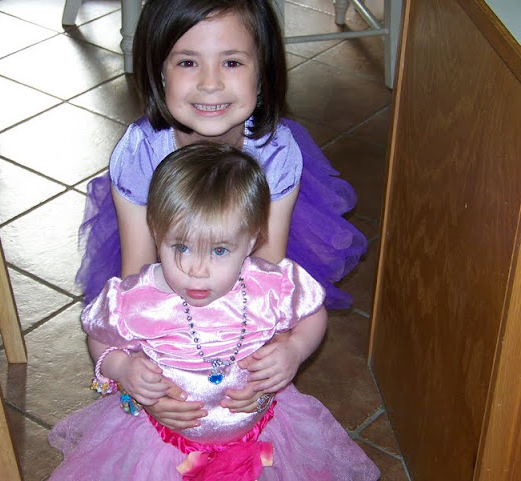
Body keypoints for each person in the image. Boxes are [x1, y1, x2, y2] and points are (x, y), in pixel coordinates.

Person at [78, 0, 366, 431]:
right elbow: (135, 281)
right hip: (167, 268)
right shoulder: (141, 152)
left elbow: (269, 272)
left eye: (231, 62)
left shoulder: (275, 151)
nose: (210, 84)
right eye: (187, 62)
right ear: (159, 71)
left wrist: (268, 367)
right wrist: (144, 383)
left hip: (242, 268)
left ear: (262, 72)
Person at [49, 144, 379, 481]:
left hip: (263, 433)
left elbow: (312, 315)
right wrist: (122, 368)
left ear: (251, 241)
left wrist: (295, 349)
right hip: (163, 446)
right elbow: (99, 337)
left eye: (219, 250)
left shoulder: (269, 286)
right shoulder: (137, 299)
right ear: (157, 233)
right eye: (181, 247)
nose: (198, 270)